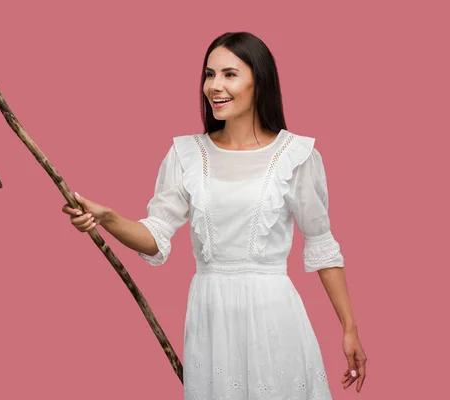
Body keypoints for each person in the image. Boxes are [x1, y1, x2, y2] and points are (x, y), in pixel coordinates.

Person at [61, 31, 366, 399]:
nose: (214, 86)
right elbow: (155, 234)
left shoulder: (295, 155)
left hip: (273, 315)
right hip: (211, 318)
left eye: (229, 74)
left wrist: (349, 327)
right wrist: (107, 218)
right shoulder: (187, 155)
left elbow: (321, 244)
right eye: (209, 74)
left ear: (260, 81)